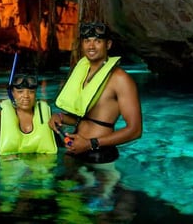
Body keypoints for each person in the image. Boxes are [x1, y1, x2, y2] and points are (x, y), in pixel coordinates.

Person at [49, 22, 142, 163]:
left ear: (108, 45)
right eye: (87, 41)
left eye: (97, 41)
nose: (91, 46)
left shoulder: (120, 79)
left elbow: (135, 130)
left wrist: (90, 143)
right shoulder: (82, 72)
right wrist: (60, 117)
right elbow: (85, 117)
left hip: (99, 154)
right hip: (74, 148)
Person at [0, 70, 58, 155]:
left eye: (31, 92)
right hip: (11, 164)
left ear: (35, 94)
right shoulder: (0, 120)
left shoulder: (47, 117)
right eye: (20, 92)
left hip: (41, 165)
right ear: (12, 93)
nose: (26, 96)